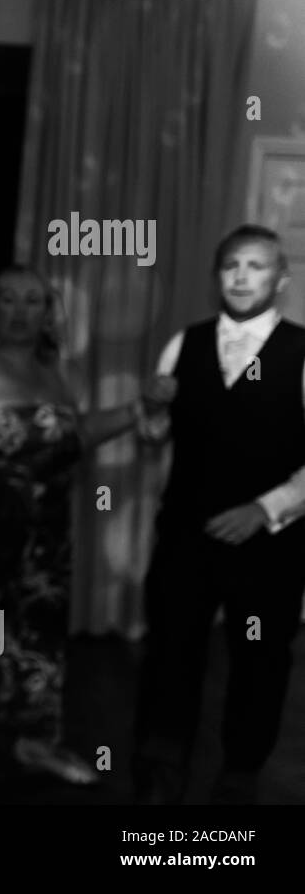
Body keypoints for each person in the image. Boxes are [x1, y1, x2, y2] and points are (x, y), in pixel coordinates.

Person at [0, 265, 156, 791]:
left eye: (33, 301)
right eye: (7, 299)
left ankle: (35, 739)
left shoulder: (55, 369)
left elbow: (75, 436)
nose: (20, 312)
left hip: (45, 541)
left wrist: (140, 410)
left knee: (38, 641)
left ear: (46, 314)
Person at [132, 224, 305, 804]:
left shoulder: (302, 350)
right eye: (231, 264)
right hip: (185, 530)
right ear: (217, 275)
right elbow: (156, 438)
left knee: (261, 655)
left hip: (270, 541)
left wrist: (265, 508)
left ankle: (241, 771)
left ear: (280, 278)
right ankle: (161, 764)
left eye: (256, 266)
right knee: (171, 648)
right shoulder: (184, 343)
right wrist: (152, 412)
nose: (240, 276)